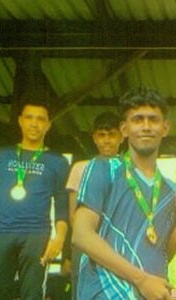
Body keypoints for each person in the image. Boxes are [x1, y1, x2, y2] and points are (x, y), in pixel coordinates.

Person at [72, 88, 176, 299]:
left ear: (165, 128)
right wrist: (141, 279)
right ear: (124, 129)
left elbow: (163, 253)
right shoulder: (104, 168)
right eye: (137, 120)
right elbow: (81, 234)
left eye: (153, 120)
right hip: (103, 293)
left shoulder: (172, 191)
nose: (146, 126)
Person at [0, 101, 69, 299]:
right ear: (20, 121)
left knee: (33, 294)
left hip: (36, 235)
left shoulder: (58, 161)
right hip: (0, 233)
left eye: (40, 119)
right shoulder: (2, 155)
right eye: (29, 117)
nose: (34, 123)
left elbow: (62, 205)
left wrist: (59, 238)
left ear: (48, 125)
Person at [65, 111, 123, 298]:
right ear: (94, 138)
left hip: (118, 245)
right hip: (85, 244)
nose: (107, 141)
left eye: (112, 135)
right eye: (101, 135)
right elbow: (73, 215)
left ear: (122, 136)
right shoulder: (80, 167)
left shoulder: (129, 169)